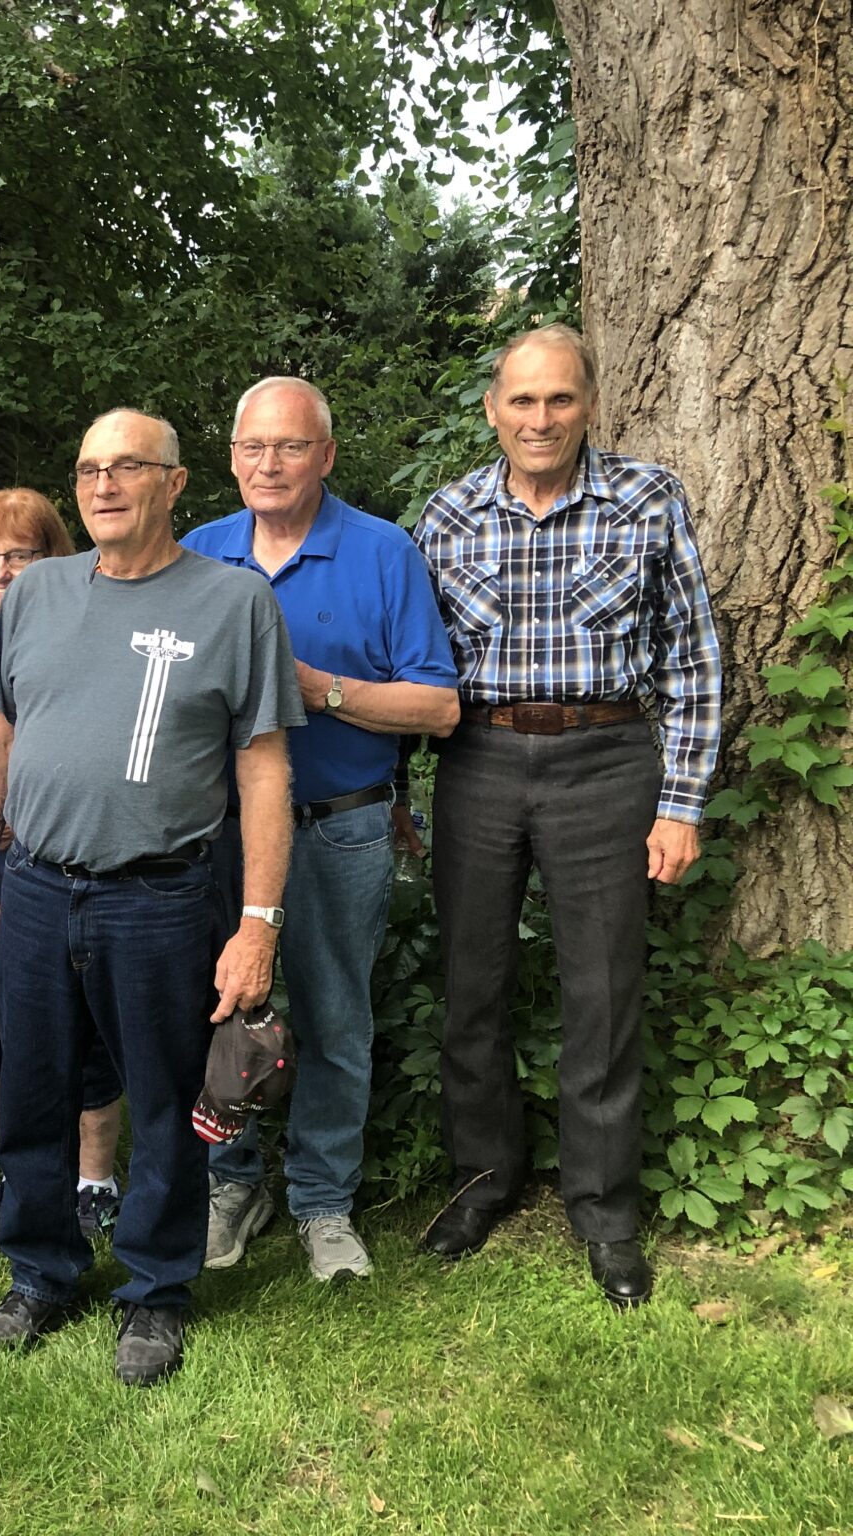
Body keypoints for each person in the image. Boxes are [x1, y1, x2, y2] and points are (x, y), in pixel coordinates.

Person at [0, 409, 300, 1386]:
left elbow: (262, 769)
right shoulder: (35, 593)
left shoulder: (232, 603)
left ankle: (155, 1289)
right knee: (33, 1094)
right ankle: (41, 1272)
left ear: (174, 482)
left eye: (125, 467)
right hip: (33, 888)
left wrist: (257, 924)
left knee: (162, 1102)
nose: (102, 485)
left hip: (159, 898)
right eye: (87, 469)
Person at [412, 323, 722, 1308]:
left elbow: (693, 660)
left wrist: (679, 802)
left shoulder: (646, 498)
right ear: (491, 409)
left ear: (588, 404)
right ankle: (480, 1181)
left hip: (605, 758)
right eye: (521, 399)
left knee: (602, 991)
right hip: (477, 760)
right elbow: (410, 665)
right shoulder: (447, 515)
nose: (538, 418)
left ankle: (603, 1209)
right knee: (471, 982)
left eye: (558, 399)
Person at [182, 378, 461, 1282]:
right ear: (231, 457)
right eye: (253, 447)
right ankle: (231, 1185)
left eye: (291, 446)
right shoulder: (199, 553)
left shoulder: (383, 552)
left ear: (327, 456)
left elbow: (438, 706)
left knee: (337, 1022)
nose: (269, 463)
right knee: (220, 1011)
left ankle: (322, 1201)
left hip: (342, 828)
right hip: (219, 835)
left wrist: (316, 688)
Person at [0, 491, 125, 1248]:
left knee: (84, 1026)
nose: (0, 571)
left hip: (66, 853)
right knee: (4, 1024)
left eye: (19, 555)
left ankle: (93, 1181)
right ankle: (21, 1175)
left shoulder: (85, 624)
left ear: (53, 559)